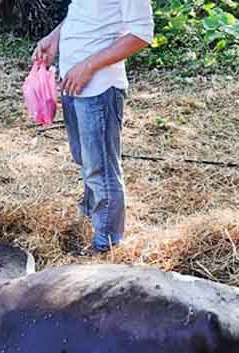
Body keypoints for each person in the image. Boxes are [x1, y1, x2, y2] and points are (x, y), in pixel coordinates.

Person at [33, 0, 153, 255]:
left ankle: (105, 245)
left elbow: (140, 34)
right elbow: (84, 13)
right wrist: (55, 37)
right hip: (73, 82)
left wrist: (89, 66)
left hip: (99, 87)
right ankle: (89, 219)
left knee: (101, 171)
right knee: (85, 160)